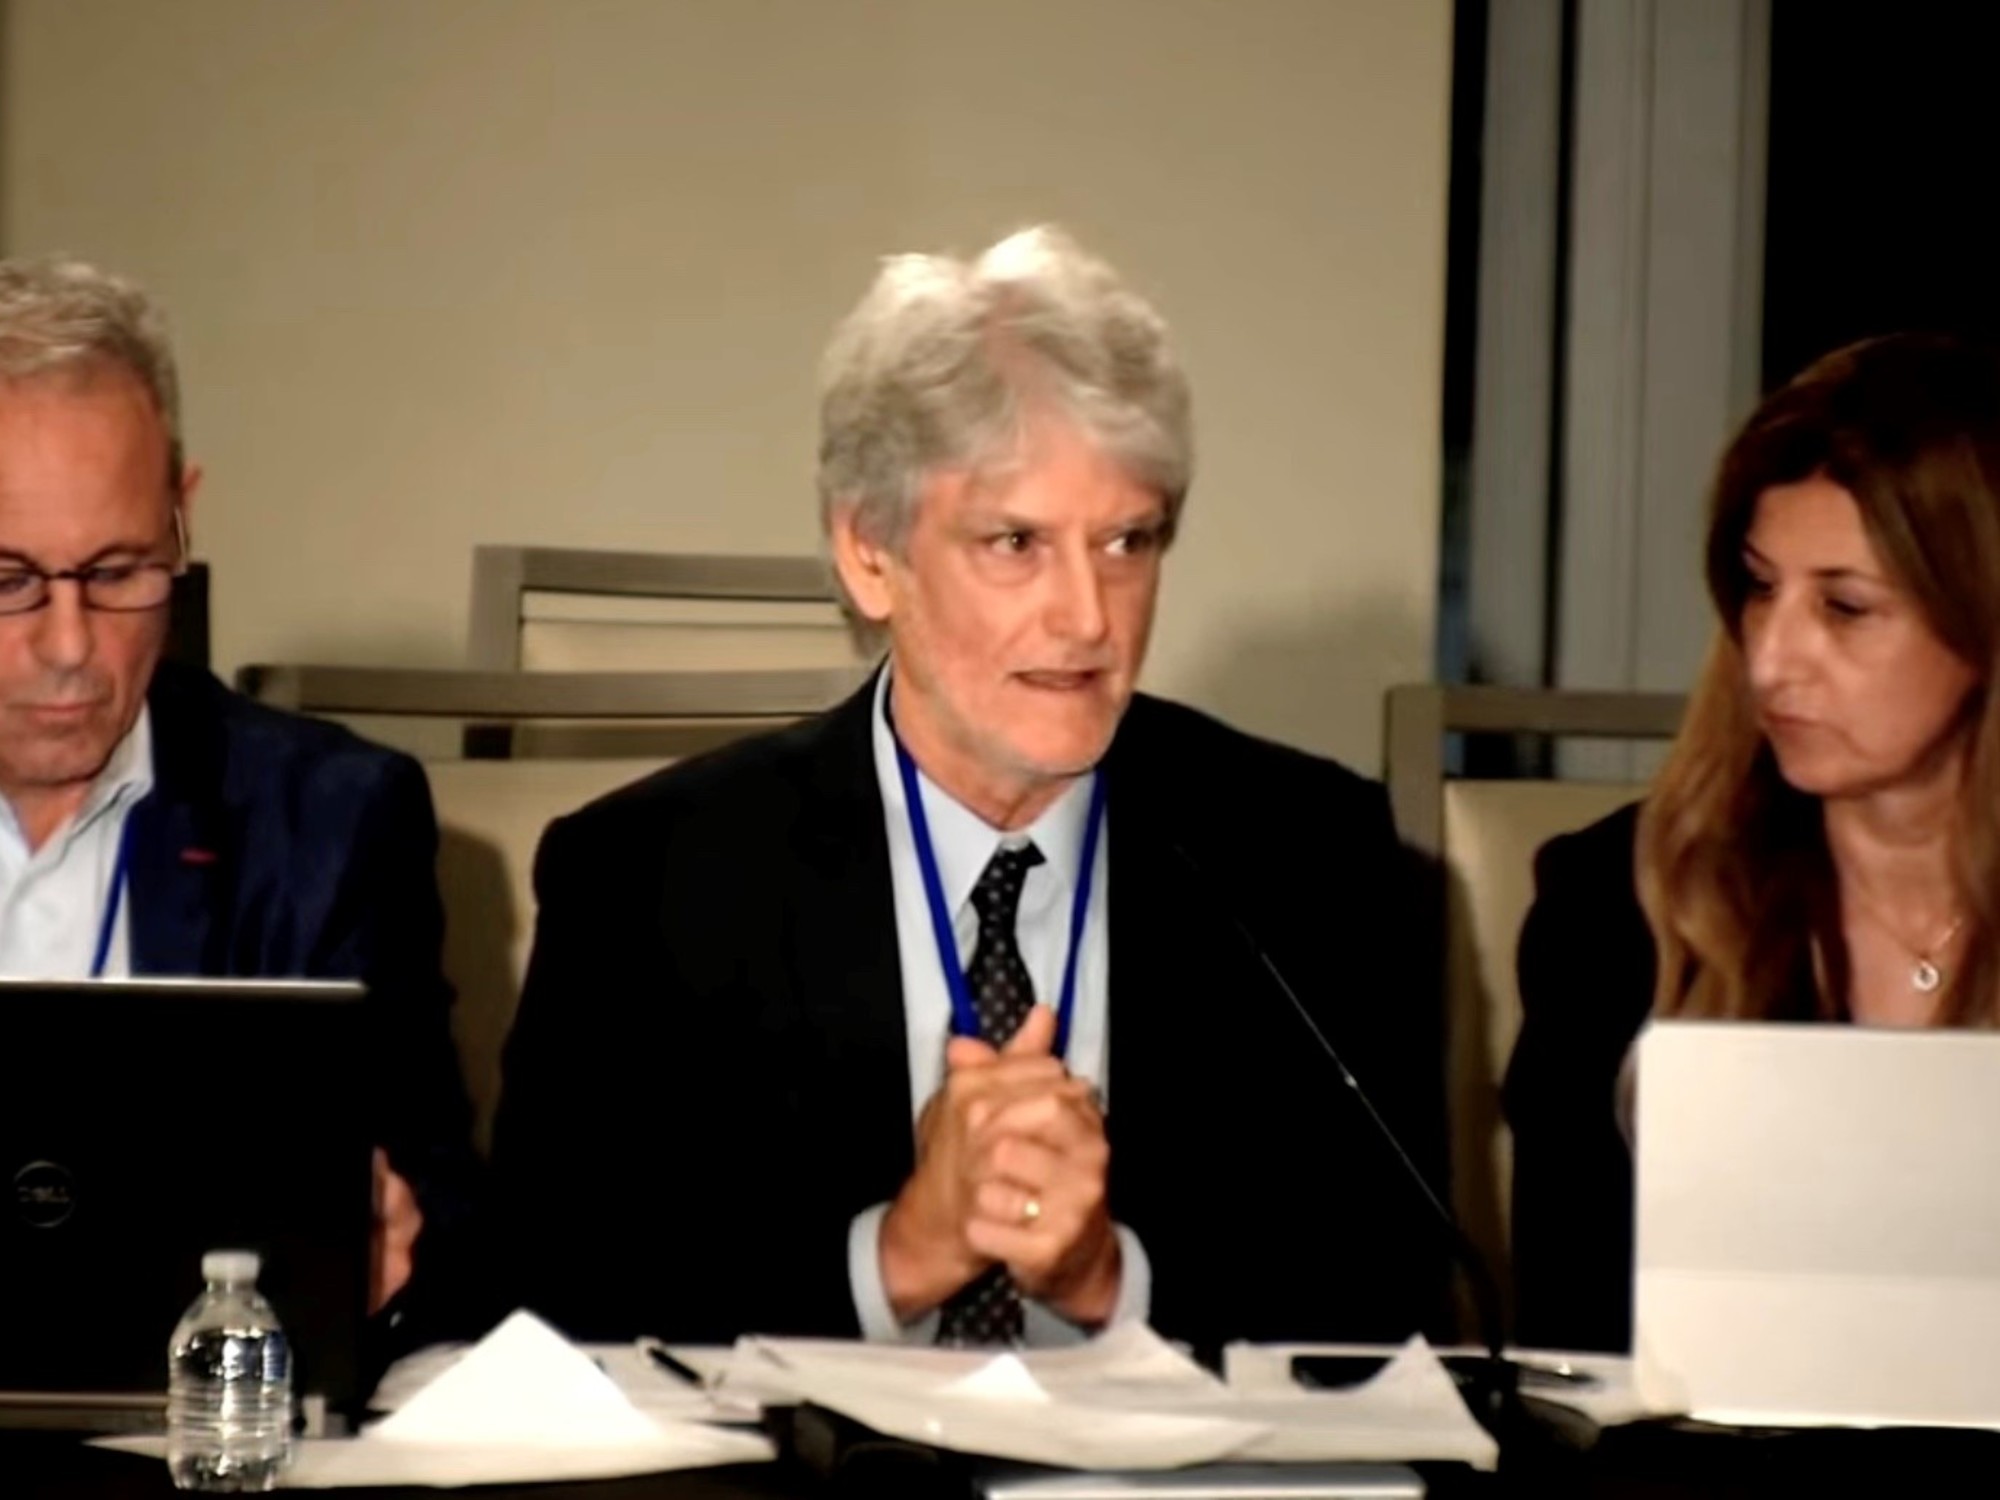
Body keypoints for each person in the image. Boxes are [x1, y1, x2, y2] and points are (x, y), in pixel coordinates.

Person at [493, 226, 1444, 1357]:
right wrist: (893, 1257)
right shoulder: (651, 877)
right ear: (869, 553)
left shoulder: (1312, 855)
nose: (1087, 617)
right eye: (1015, 542)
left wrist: (1111, 1283)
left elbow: (1397, 1298)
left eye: (1126, 543)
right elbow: (549, 1305)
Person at [0, 256, 478, 1343]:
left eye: (117, 572)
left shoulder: (332, 822)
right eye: (8, 580)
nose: (69, 646)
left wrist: (394, 1257)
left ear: (181, 518)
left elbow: (457, 1222)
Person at [1505, 332, 2000, 1352]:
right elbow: (1573, 1339)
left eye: (1844, 608)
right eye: (1758, 587)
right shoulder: (1617, 904)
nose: (1771, 659)